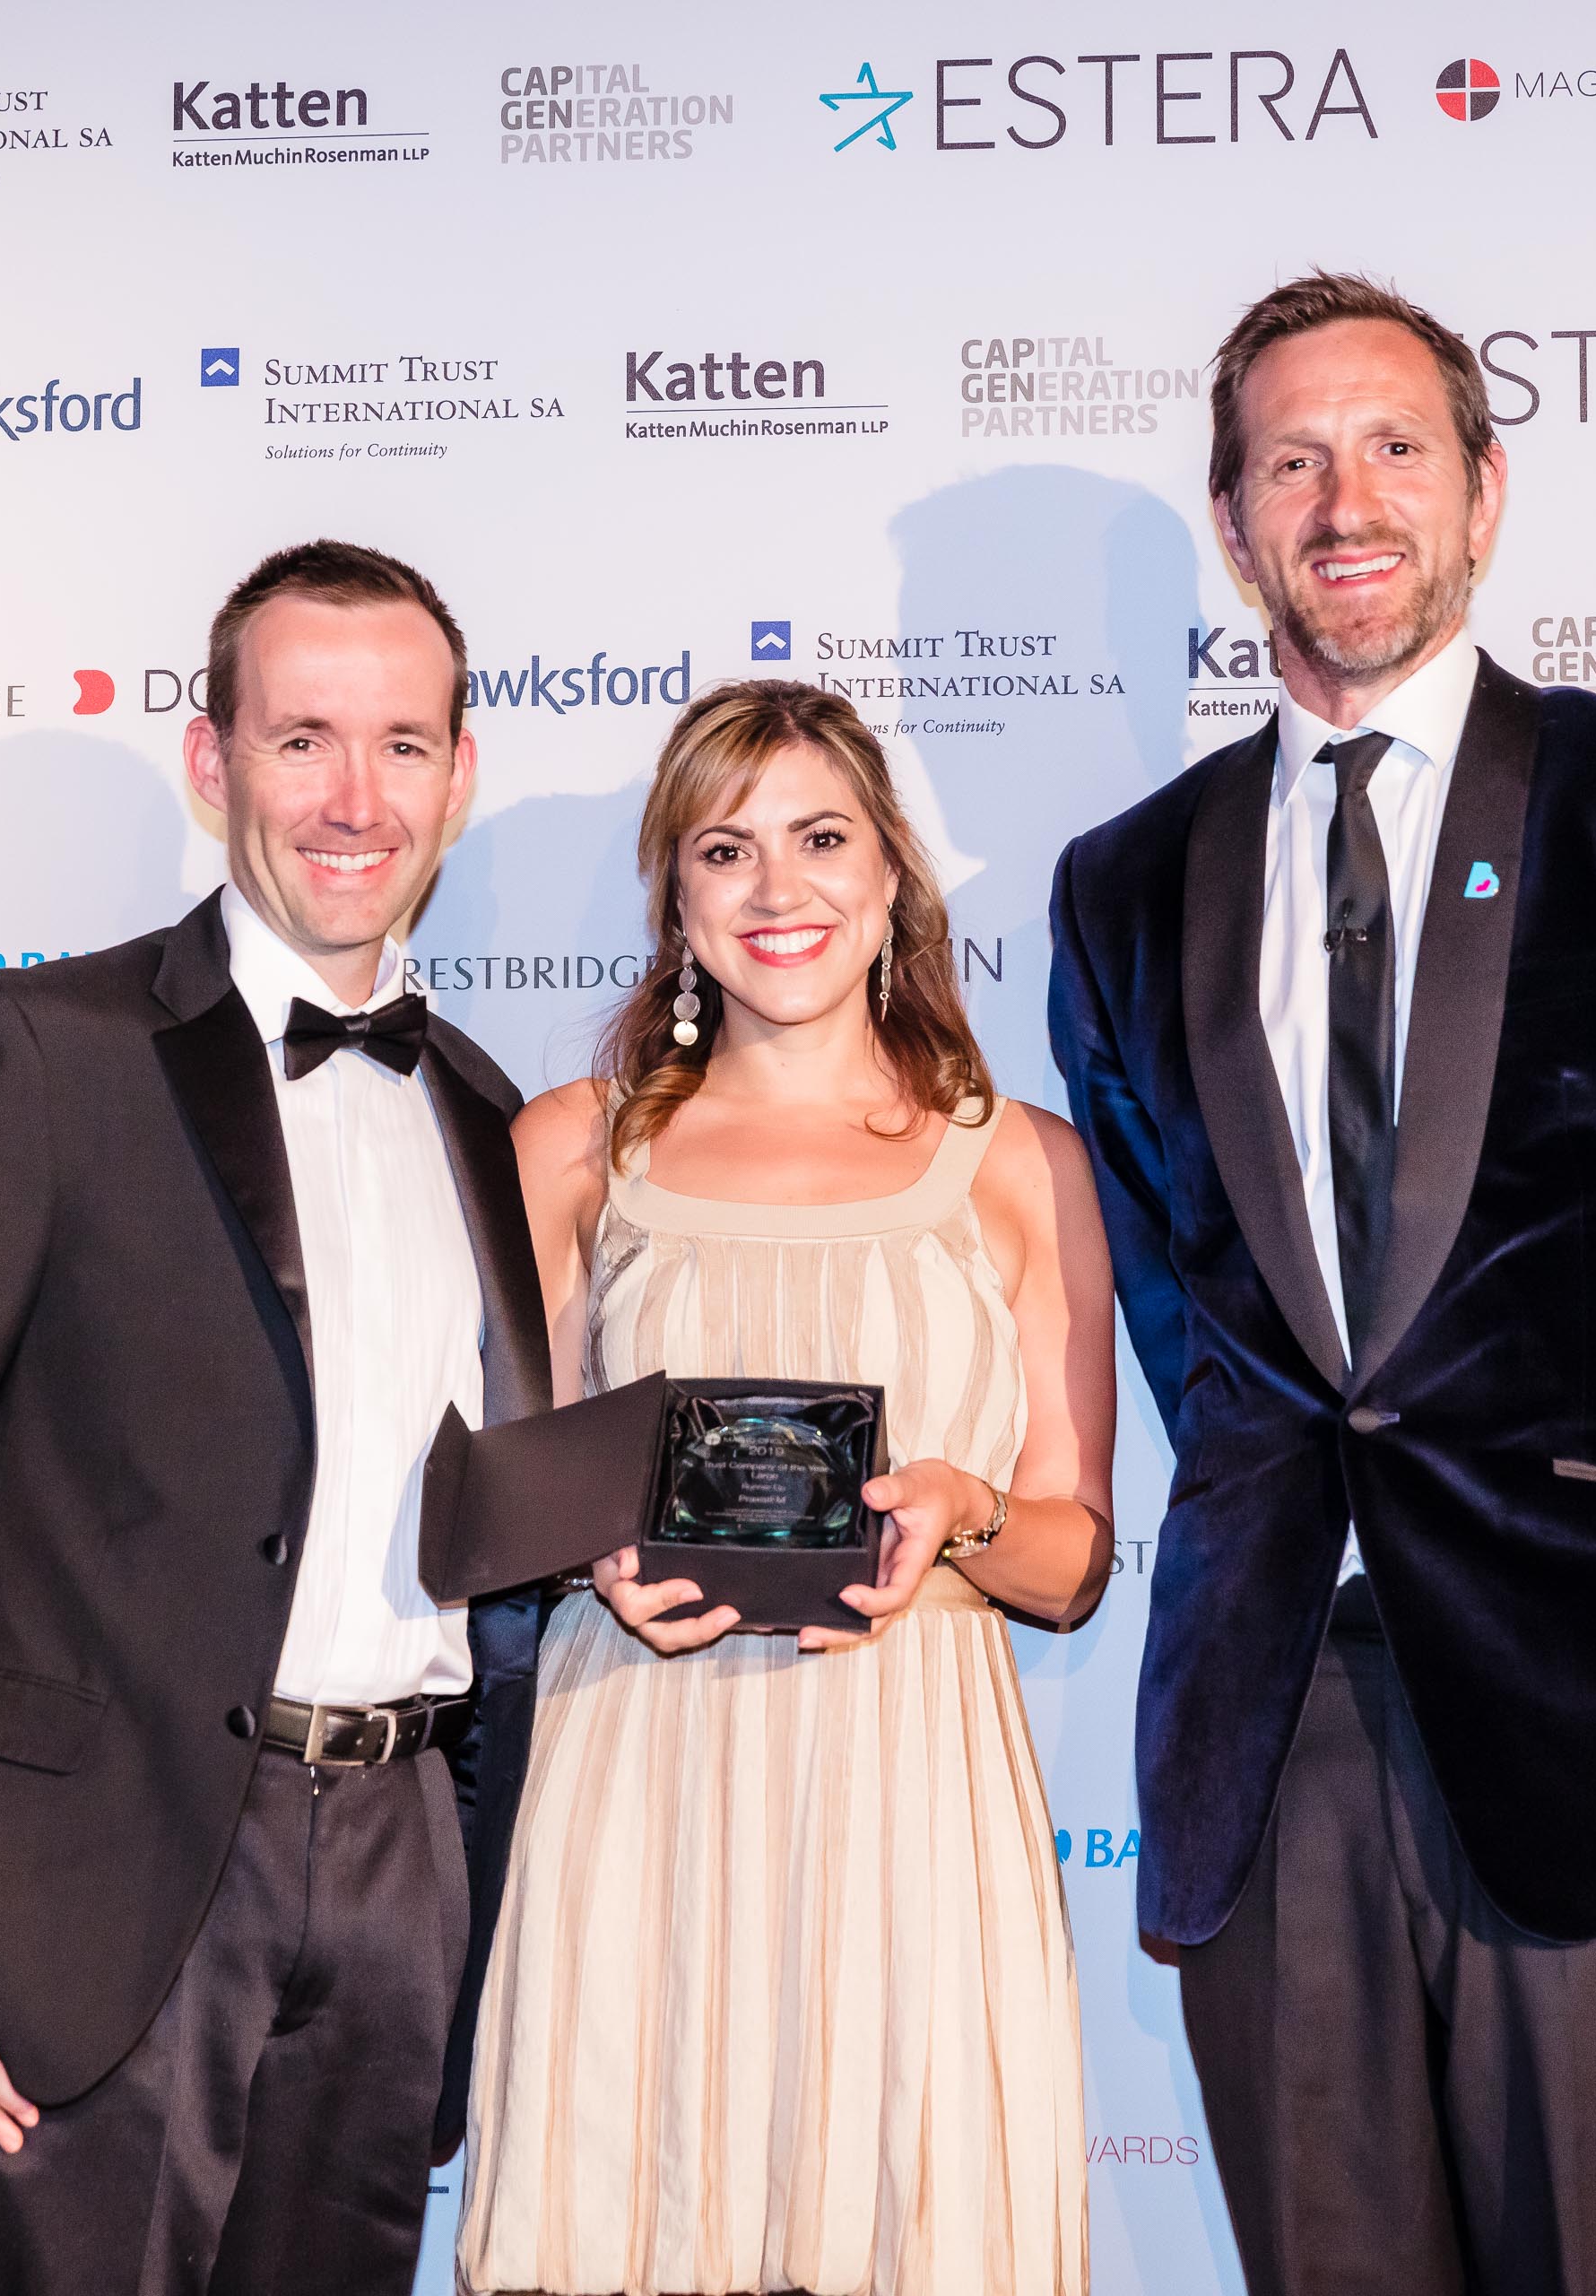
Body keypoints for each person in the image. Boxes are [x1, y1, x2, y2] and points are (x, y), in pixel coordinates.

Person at [1045, 273, 1596, 2296]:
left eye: (1391, 447)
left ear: (1484, 492)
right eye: (1291, 459)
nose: (1343, 499)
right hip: (1271, 1747)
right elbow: (1190, 1315)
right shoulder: (1127, 879)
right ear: (1233, 518)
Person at [0, 538, 555, 2295]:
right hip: (98, 1881)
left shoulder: (487, 1112)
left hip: (398, 1871)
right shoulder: (45, 1051)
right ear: (212, 765)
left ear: (460, 773)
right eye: (303, 739)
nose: (357, 797)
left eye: (404, 744)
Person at [464, 680, 1118, 2296]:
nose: (780, 891)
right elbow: (485, 1497)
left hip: (914, 1805)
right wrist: (582, 1557)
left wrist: (961, 1510)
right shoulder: (571, 1150)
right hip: (639, 1786)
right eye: (725, 850)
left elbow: (1073, 1559)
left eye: (822, 839)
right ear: (675, 900)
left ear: (890, 873)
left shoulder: (1020, 1158)